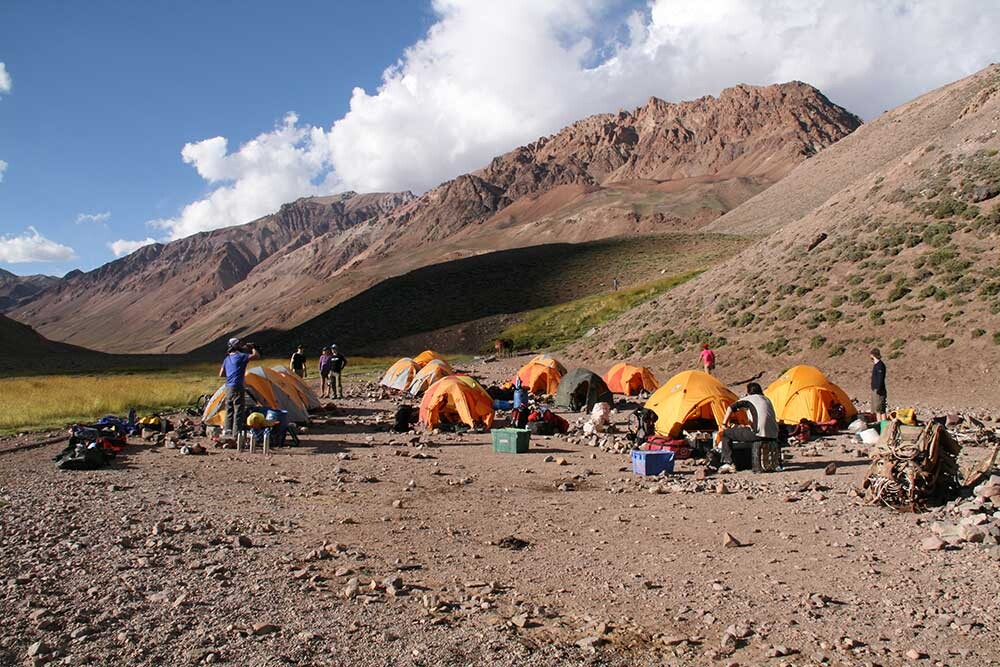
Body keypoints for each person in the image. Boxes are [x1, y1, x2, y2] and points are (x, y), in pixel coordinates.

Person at [716, 382, 778, 473]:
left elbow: (730, 407)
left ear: (748, 392)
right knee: (746, 432)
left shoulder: (749, 399)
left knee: (726, 434)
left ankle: (728, 462)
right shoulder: (767, 399)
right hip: (774, 434)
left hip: (759, 434)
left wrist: (724, 424)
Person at [219, 337, 259, 436]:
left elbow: (221, 374)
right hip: (237, 386)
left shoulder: (227, 358)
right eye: (239, 344)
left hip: (228, 387)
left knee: (229, 410)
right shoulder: (241, 356)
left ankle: (227, 432)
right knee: (238, 410)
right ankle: (236, 434)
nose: (241, 345)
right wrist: (252, 347)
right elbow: (256, 356)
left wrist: (231, 373)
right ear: (235, 346)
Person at [870, 348, 888, 422]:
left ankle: (881, 425)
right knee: (879, 410)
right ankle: (882, 425)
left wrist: (878, 389)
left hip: (879, 391)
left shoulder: (880, 365)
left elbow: (880, 378)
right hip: (876, 389)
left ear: (873, 355)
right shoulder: (876, 365)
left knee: (879, 410)